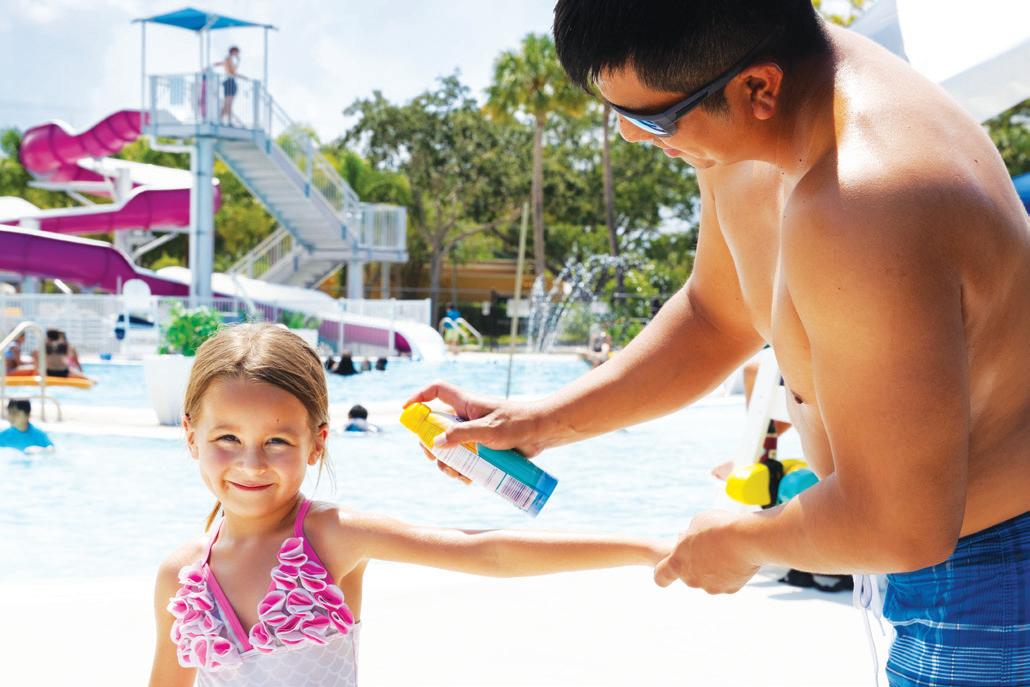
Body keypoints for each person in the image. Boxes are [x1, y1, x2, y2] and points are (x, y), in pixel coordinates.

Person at [411, 2, 1030, 684]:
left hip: (995, 576)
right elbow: (717, 315)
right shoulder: (748, 108)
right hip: (920, 554)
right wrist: (539, 422)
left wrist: (745, 541)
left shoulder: (869, 196)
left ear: (757, 87)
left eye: (652, 120)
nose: (633, 136)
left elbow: (900, 522)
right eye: (615, 113)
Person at [148, 324, 669, 686]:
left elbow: (484, 552)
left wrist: (642, 549)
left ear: (317, 442)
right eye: (228, 438)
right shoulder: (182, 577)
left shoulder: (330, 537)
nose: (251, 463)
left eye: (277, 441)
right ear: (191, 436)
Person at [214, 46, 240, 125]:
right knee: (228, 104)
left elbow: (221, 64)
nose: (237, 54)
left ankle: (221, 119)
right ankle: (227, 120)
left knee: (227, 104)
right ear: (233, 52)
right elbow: (232, 71)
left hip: (230, 81)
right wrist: (237, 62)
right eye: (236, 52)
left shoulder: (228, 59)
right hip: (229, 81)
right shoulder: (229, 59)